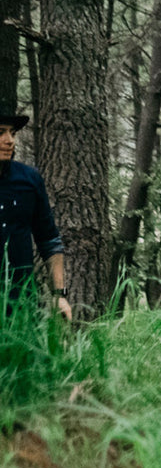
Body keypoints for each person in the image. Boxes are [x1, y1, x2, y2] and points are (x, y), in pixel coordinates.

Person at [0, 105, 71, 322]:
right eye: (1, 132)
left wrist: (59, 295)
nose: (10, 140)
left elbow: (49, 240)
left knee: (23, 355)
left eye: (12, 133)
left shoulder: (30, 180)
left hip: (21, 305)